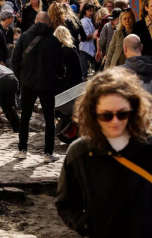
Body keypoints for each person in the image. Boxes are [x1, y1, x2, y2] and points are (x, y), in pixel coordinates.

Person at [56, 68, 152, 237]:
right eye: (106, 116)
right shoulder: (80, 153)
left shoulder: (149, 148)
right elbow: (66, 203)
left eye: (122, 114)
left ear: (134, 110)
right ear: (93, 114)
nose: (115, 122)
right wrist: (88, 225)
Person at [12, 12, 65, 162]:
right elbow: (59, 65)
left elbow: (15, 59)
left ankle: (22, 149)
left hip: (28, 83)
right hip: (47, 84)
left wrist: (21, 77)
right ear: (48, 22)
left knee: (25, 117)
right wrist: (60, 76)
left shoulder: (23, 37)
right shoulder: (53, 40)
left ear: (35, 21)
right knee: (49, 118)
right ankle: (48, 153)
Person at [54, 26, 82, 95]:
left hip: (57, 82)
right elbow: (77, 67)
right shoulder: (70, 49)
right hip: (71, 81)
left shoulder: (52, 49)